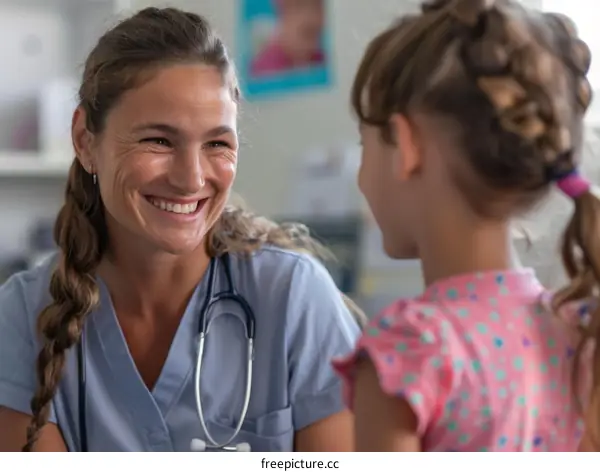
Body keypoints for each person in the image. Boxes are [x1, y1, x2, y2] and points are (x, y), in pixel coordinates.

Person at [0, 7, 363, 452]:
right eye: (158, 140)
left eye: (217, 143)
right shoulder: (23, 316)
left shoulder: (293, 298)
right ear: (84, 140)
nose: (192, 178)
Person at [333, 0, 598, 452]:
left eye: (366, 143)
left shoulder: (409, 351)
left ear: (406, 145)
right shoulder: (579, 332)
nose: (361, 174)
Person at [250, 0, 325, 77]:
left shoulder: (323, 61)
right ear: (282, 15)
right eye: (299, 6)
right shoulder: (266, 68)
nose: (310, 15)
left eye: (317, 6)